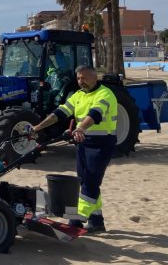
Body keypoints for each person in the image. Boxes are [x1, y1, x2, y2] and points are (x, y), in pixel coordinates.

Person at [30, 65, 118, 233]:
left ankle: (76, 220)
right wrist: (37, 127)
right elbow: (60, 113)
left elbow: (95, 115)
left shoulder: (105, 94)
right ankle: (96, 220)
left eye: (84, 78)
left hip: (101, 144)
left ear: (94, 77)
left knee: (91, 182)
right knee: (85, 181)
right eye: (78, 78)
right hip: (82, 143)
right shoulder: (78, 95)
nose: (80, 82)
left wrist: (80, 128)